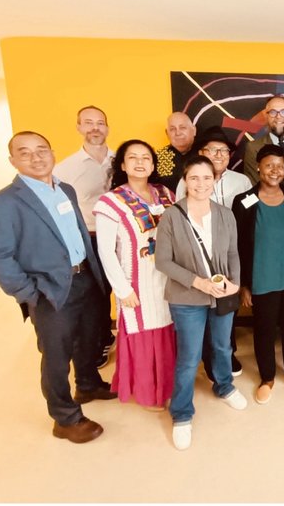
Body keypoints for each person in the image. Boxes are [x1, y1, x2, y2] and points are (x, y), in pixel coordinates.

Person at [0, 131, 115, 444]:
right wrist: (29, 293)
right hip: (49, 289)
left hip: (86, 278)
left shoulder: (64, 188)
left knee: (90, 338)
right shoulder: (2, 203)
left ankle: (88, 383)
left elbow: (77, 233)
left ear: (52, 153)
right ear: (13, 161)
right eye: (25, 153)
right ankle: (65, 418)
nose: (36, 158)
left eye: (41, 150)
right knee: (56, 353)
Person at [155, 156, 247, 451]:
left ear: (214, 180)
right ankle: (181, 414)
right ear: (185, 181)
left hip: (222, 294)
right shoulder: (172, 215)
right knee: (189, 357)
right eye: (194, 178)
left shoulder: (225, 214)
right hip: (186, 297)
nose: (201, 184)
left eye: (207, 178)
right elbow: (163, 261)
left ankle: (224, 385)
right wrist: (198, 283)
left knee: (223, 346)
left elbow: (233, 252)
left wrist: (235, 282)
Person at [93, 140, 177, 410]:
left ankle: (168, 385)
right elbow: (105, 251)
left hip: (166, 277)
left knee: (166, 330)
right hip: (135, 281)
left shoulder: (165, 193)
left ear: (153, 165)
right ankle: (147, 391)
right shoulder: (111, 202)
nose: (140, 163)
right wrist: (122, 289)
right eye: (133, 158)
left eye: (146, 158)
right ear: (122, 164)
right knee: (144, 334)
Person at [232, 144, 284, 404]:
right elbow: (239, 245)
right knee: (265, 330)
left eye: (280, 166)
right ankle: (267, 377)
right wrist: (244, 284)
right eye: (269, 165)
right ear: (258, 167)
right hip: (262, 279)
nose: (274, 171)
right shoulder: (245, 201)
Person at [175, 125, 251, 378]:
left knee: (228, 305)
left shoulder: (242, 181)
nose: (219, 155)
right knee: (203, 306)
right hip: (197, 256)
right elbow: (178, 217)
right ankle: (208, 358)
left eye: (224, 150)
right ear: (203, 152)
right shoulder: (186, 182)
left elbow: (250, 217)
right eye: (213, 150)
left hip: (231, 252)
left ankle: (227, 353)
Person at [54, 105, 116, 368]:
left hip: (120, 236)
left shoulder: (121, 160)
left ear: (107, 128)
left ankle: (108, 334)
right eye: (88, 123)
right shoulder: (65, 168)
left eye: (100, 123)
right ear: (79, 127)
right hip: (89, 237)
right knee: (94, 293)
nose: (94, 128)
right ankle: (98, 341)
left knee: (116, 287)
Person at [156, 112, 197, 191]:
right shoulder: (157, 158)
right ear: (167, 133)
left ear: (194, 130)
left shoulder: (205, 154)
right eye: (172, 129)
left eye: (182, 128)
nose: (178, 133)